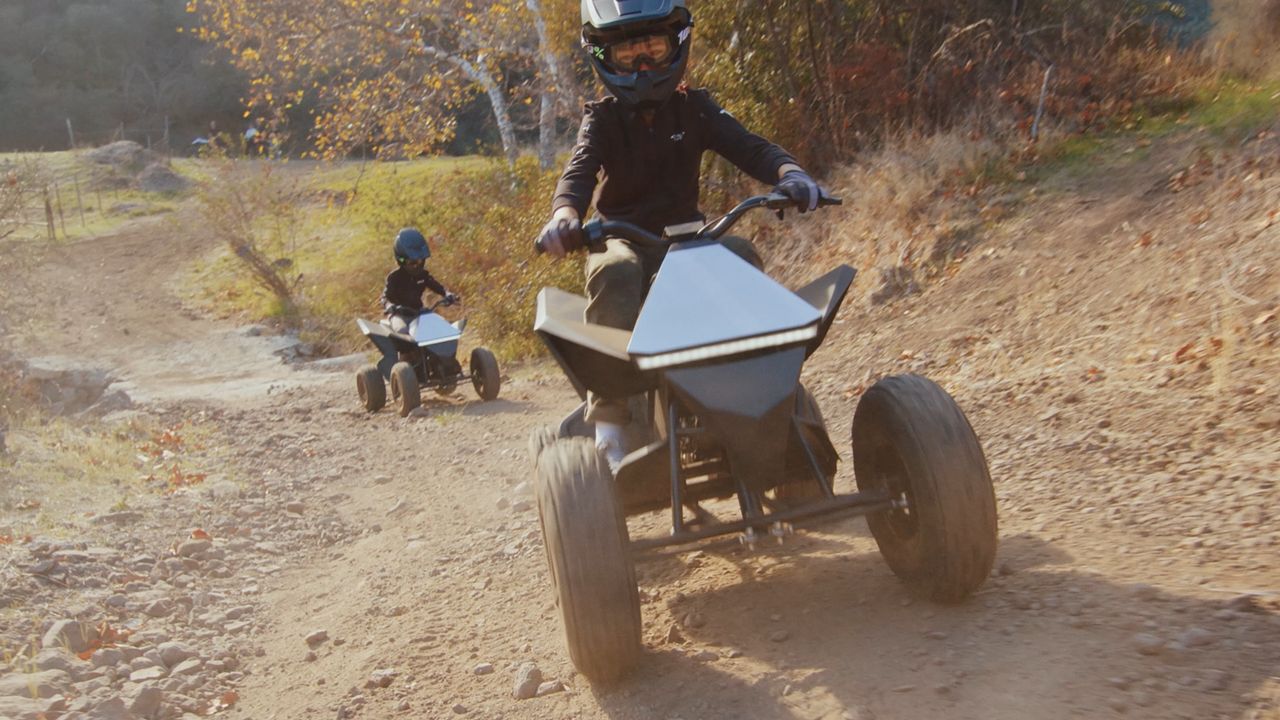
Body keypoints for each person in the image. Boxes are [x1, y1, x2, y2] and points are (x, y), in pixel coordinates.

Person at [536, 0, 828, 469]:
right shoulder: (603, 119)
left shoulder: (697, 108)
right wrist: (564, 216)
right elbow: (578, 173)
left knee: (739, 254)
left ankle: (759, 390)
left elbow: (750, 146)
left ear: (678, 43)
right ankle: (610, 420)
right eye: (629, 53)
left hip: (691, 242)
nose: (644, 64)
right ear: (603, 56)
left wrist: (793, 175)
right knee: (614, 270)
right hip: (623, 237)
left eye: (652, 46)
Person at [382, 228, 458, 334]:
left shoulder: (423, 275)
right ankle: (406, 351)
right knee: (402, 331)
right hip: (400, 315)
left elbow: (437, 287)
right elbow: (385, 298)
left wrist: (448, 294)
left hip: (419, 313)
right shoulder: (394, 278)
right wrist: (389, 306)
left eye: (420, 261)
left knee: (443, 327)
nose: (417, 265)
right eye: (412, 262)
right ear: (401, 260)